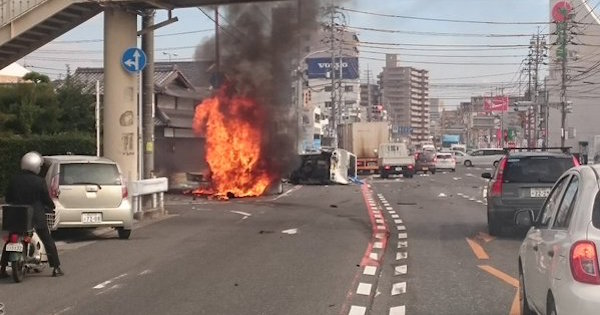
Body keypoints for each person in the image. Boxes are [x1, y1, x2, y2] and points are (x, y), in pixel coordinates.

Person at [0, 152, 63, 278]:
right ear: (35, 166)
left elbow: (8, 197)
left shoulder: (14, 179)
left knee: (10, 240)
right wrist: (51, 206)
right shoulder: (39, 181)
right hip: (35, 215)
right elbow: (46, 199)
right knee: (47, 239)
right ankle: (56, 267)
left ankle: (2, 268)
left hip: (16, 215)